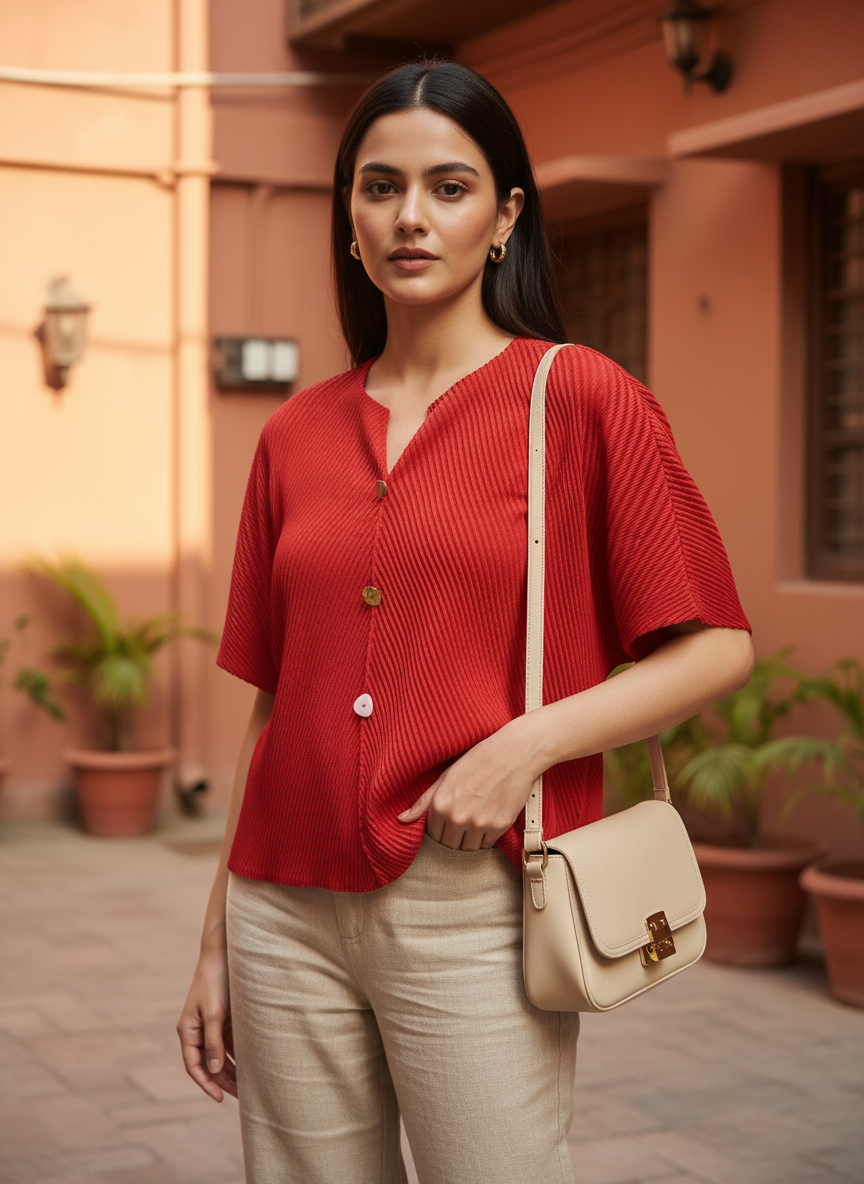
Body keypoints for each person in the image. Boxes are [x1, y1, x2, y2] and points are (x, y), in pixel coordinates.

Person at [178, 58, 753, 1184]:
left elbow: (717, 645)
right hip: (279, 906)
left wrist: (523, 745)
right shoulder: (291, 436)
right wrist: (215, 939)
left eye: (449, 187)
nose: (409, 216)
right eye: (380, 187)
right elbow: (272, 705)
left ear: (505, 217)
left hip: (474, 898)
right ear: (348, 217)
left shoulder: (581, 399)